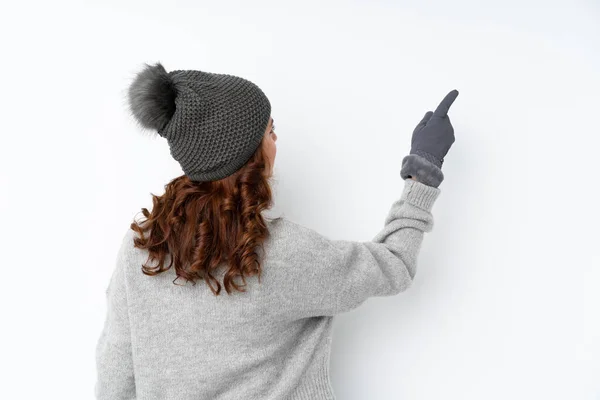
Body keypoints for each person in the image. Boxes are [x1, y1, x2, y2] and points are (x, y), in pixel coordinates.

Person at [94, 61, 458, 400]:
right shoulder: (280, 254)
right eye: (270, 131)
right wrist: (422, 170)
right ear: (249, 156)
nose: (275, 142)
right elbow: (394, 265)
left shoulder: (143, 249)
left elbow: (116, 372)